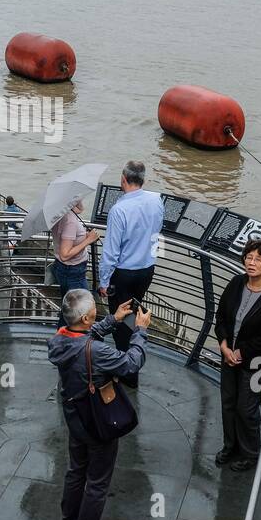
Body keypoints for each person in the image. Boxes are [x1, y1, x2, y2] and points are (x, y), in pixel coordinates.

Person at [47, 289, 150, 520]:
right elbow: (130, 364)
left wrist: (113, 319)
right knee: (97, 482)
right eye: (93, 307)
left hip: (75, 419)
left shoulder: (60, 339)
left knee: (75, 473)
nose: (96, 306)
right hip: (97, 423)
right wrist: (140, 332)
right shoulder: (99, 352)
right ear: (85, 318)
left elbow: (85, 339)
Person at [213, 237, 261, 472]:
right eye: (249, 257)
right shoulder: (236, 283)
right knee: (228, 403)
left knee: (247, 409)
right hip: (228, 356)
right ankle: (229, 447)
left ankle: (250, 454)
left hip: (255, 362)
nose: (252, 263)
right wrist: (224, 346)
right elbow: (221, 317)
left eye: (258, 259)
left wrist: (239, 352)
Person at [97, 160, 164, 387]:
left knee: (120, 320)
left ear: (123, 179)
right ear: (143, 180)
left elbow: (111, 251)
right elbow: (157, 233)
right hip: (147, 270)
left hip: (123, 273)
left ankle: (127, 370)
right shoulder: (157, 200)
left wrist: (104, 281)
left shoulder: (118, 210)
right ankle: (132, 358)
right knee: (134, 314)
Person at [51, 197, 99, 299]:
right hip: (73, 271)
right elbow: (65, 255)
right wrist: (88, 240)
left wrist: (77, 199)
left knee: (69, 306)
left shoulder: (59, 213)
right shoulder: (70, 220)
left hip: (62, 268)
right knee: (81, 308)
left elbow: (79, 209)